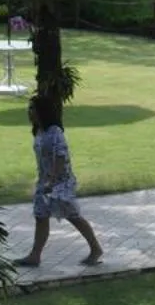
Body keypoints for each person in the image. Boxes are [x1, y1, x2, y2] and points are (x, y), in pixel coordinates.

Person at [19, 97, 102, 267]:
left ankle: (96, 249)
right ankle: (35, 255)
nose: (29, 112)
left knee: (73, 216)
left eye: (32, 108)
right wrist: (43, 181)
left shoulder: (54, 132)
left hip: (60, 182)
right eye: (29, 108)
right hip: (44, 182)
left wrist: (52, 181)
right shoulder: (39, 131)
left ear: (42, 111)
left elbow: (61, 157)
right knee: (40, 216)